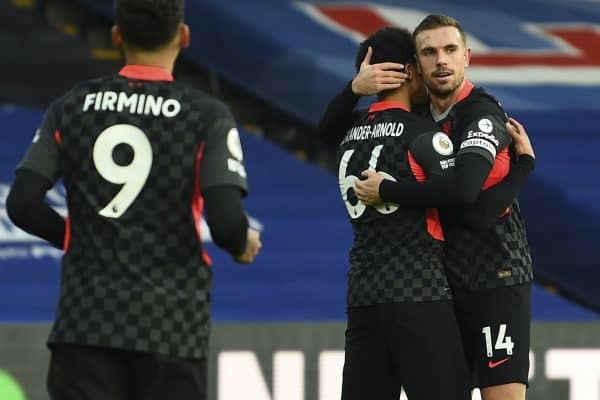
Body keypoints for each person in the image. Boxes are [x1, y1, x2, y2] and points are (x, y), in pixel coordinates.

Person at [6, 1, 261, 399]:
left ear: (116, 36)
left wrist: (77, 237)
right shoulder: (207, 116)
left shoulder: (71, 106)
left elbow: (22, 204)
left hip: (84, 328)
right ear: (184, 36)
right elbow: (227, 223)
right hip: (171, 330)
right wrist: (242, 243)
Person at [319, 14, 535, 400]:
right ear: (414, 67)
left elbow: (472, 205)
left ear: (466, 56)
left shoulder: (481, 114)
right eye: (430, 52)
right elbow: (330, 131)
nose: (441, 61)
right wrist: (354, 89)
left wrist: (523, 168)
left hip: (493, 277)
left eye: (450, 50)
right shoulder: (418, 119)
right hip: (441, 284)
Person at [335, 26, 474, 400]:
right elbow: (456, 193)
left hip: (364, 295)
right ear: (410, 70)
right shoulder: (423, 133)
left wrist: (352, 90)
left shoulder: (346, 134)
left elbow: (325, 127)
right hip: (419, 292)